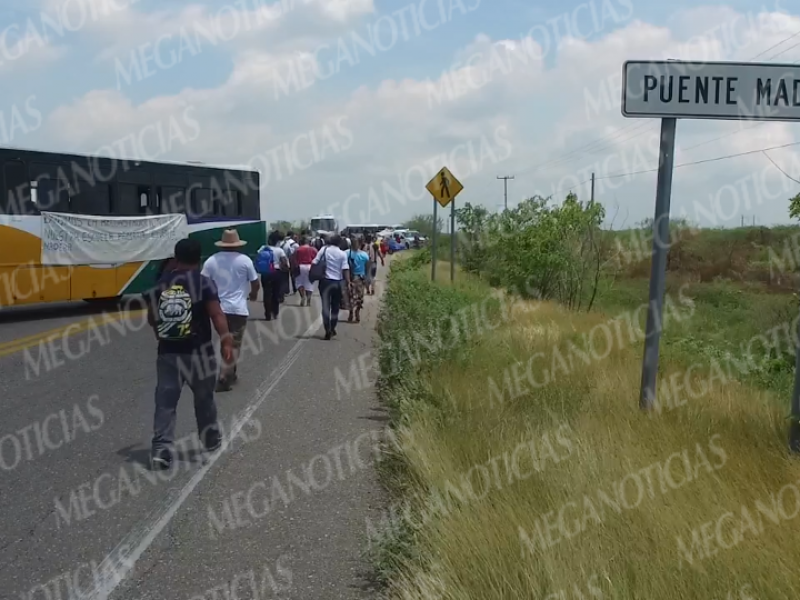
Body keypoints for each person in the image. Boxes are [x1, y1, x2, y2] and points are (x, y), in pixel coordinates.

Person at [142, 238, 233, 471]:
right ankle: (211, 439)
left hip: (168, 353)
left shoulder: (161, 283)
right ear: (199, 257)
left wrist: (161, 336)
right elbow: (216, 315)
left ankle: (161, 451)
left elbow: (153, 317)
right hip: (200, 354)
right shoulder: (204, 283)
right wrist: (226, 341)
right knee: (204, 399)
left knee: (165, 403)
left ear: (176, 257)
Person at [201, 229, 259, 392]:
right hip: (238, 309)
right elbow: (255, 282)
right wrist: (253, 295)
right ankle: (225, 374)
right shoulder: (245, 261)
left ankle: (230, 372)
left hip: (218, 308)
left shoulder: (211, 261)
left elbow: (202, 282)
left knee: (225, 340)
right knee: (234, 343)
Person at [312, 234, 350, 340]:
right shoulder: (342, 254)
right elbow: (345, 269)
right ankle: (332, 327)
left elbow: (314, 261)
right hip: (338, 283)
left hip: (325, 281)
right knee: (335, 306)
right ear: (339, 243)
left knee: (325, 306)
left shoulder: (324, 250)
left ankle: (327, 329)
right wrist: (348, 283)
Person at [256, 231, 289, 320]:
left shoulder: (263, 249)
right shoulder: (279, 250)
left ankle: (267, 313)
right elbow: (284, 263)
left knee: (266, 293)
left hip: (266, 273)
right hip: (276, 273)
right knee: (276, 293)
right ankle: (275, 312)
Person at [346, 239, 369, 323]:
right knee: (355, 297)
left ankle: (354, 312)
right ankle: (354, 312)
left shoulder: (346, 253)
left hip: (355, 278)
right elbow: (367, 267)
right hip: (356, 278)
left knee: (355, 297)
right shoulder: (363, 254)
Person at [294, 236, 318, 306]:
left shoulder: (298, 249)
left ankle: (302, 296)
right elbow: (317, 258)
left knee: (299, 282)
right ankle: (308, 299)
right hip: (310, 266)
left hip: (300, 266)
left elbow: (294, 259)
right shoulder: (313, 249)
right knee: (309, 283)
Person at [281, 232, 299, 298]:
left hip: (282, 262)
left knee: (285, 277)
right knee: (293, 276)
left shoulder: (282, 243)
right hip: (291, 261)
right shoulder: (294, 244)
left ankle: (286, 291)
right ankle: (295, 289)